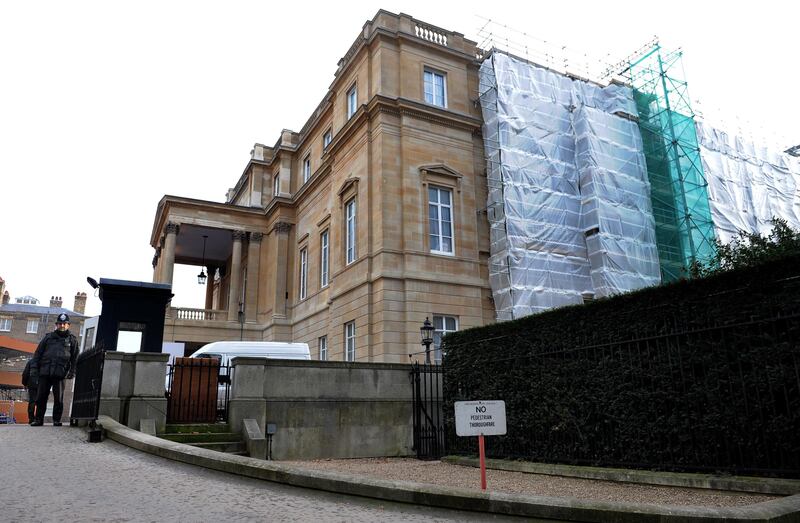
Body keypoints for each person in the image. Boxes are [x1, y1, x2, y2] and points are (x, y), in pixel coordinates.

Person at [30, 313, 78, 427]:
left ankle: (56, 420)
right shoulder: (48, 337)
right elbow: (37, 354)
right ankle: (38, 419)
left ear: (68, 325)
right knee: (41, 397)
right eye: (60, 323)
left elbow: (75, 358)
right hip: (45, 371)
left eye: (64, 324)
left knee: (59, 399)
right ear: (56, 325)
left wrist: (72, 372)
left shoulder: (72, 340)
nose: (62, 325)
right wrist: (33, 369)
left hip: (61, 373)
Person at [21, 357, 39, 424]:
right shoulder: (45, 361)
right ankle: (39, 418)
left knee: (32, 401)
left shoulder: (31, 361)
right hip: (42, 384)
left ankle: (31, 419)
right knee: (41, 402)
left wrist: (25, 383)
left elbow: (25, 373)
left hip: (32, 383)